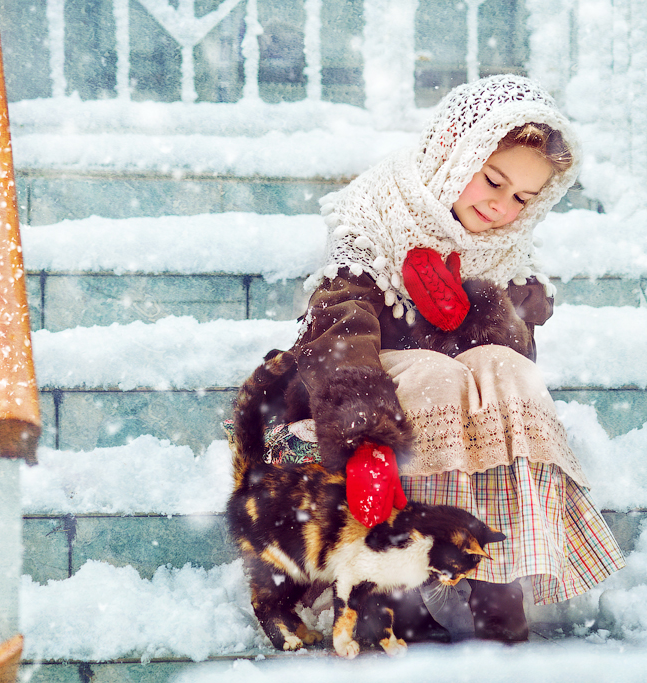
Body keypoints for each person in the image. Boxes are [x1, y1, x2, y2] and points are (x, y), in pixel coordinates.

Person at [263, 74, 625, 643]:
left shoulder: (508, 256)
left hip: (463, 431)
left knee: (505, 369)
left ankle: (494, 579)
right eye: (492, 180)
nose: (501, 206)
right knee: (435, 373)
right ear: (454, 154)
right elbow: (337, 345)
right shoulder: (374, 225)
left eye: (522, 199)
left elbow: (502, 373)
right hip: (364, 420)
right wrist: (364, 439)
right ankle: (398, 583)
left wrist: (495, 305)